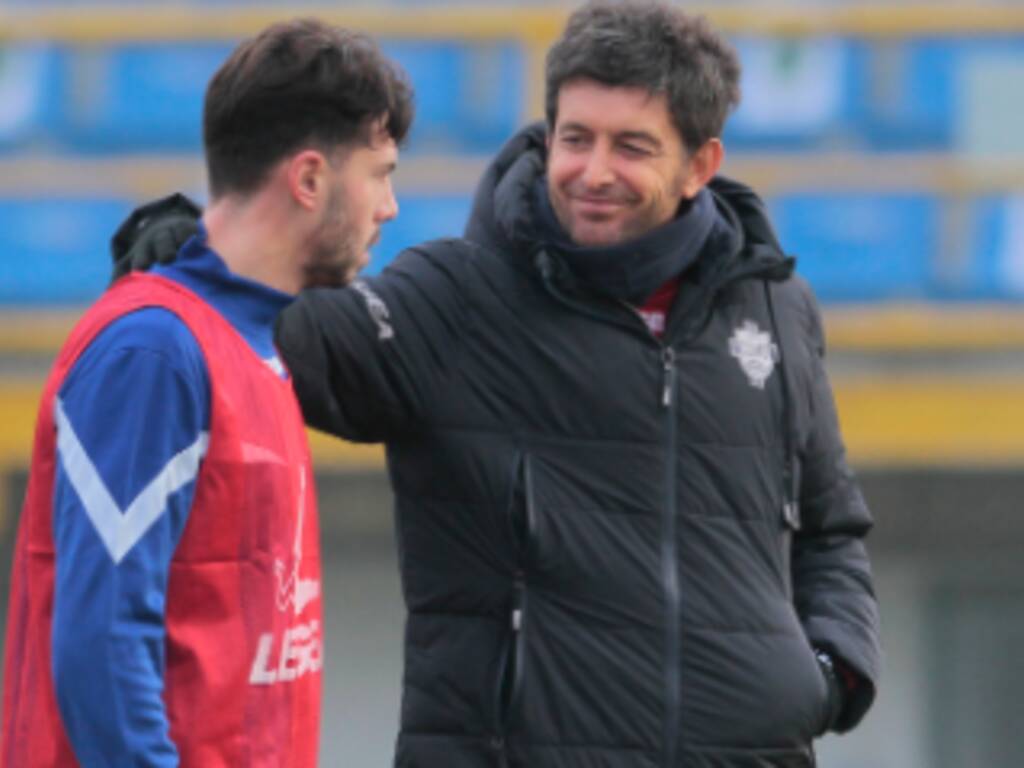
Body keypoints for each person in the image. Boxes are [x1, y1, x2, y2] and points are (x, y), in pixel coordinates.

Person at [113, 2, 881, 766]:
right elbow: (293, 334)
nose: (594, 171)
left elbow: (829, 524)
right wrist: (194, 245)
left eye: (632, 147)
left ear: (700, 166)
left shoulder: (777, 310)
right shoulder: (458, 300)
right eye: (576, 139)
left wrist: (827, 673)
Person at [1, 18, 410, 767]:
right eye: (379, 173)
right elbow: (102, 648)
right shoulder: (153, 351)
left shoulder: (257, 342)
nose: (389, 206)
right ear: (310, 178)